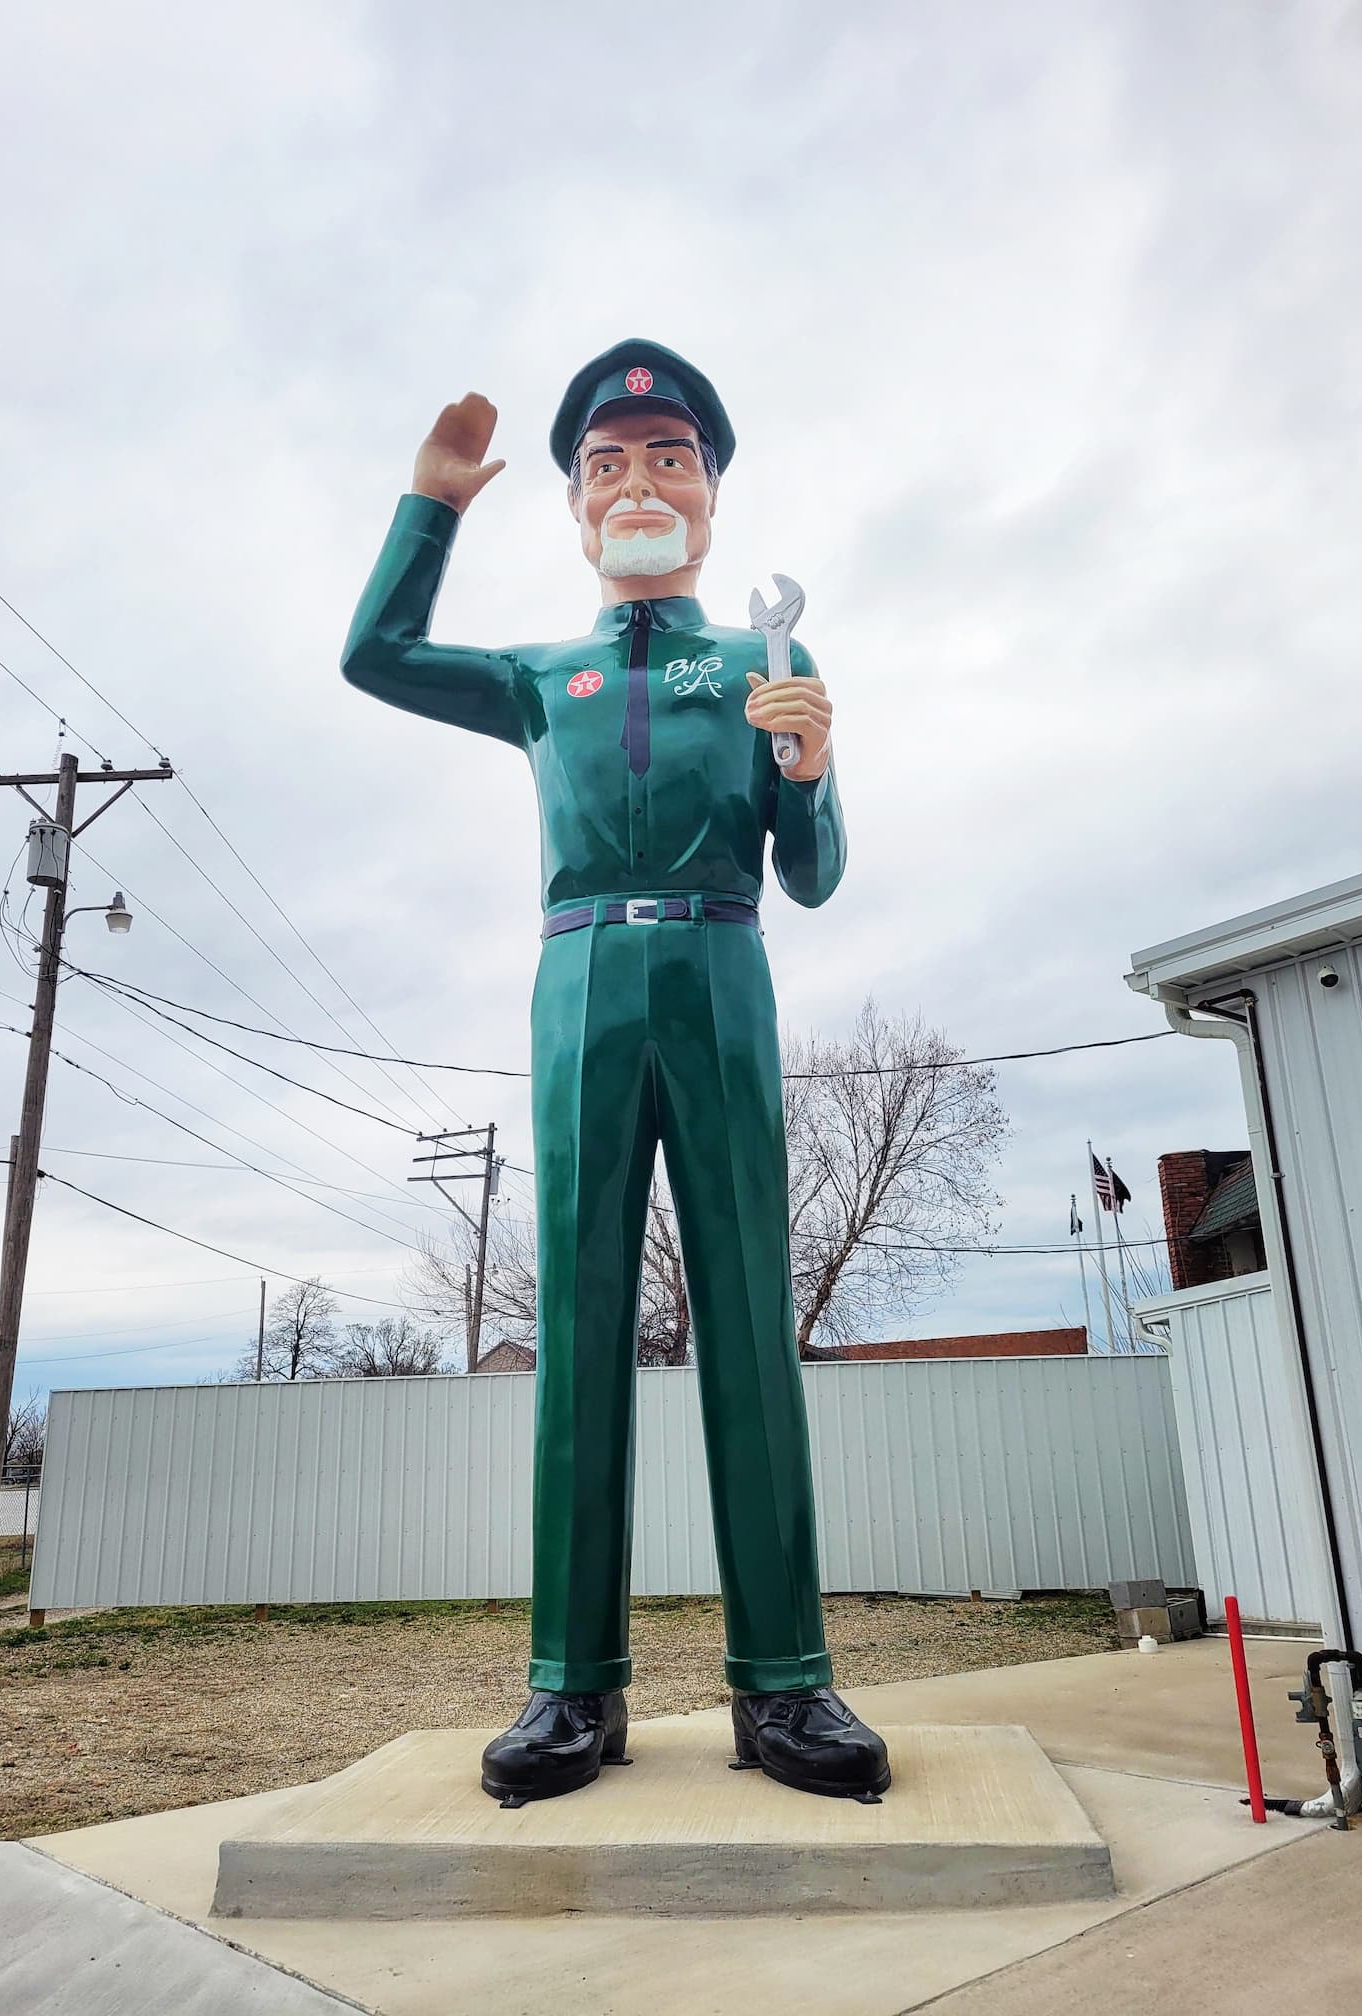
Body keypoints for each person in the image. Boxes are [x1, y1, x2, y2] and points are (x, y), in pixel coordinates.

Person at [342, 339, 890, 1805]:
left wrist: (813, 773)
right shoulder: (543, 675)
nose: (636, 482)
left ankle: (787, 1687)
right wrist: (430, 507)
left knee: (748, 1319)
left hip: (719, 966)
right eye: (605, 464)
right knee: (576, 1324)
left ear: (709, 495)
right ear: (577, 506)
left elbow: (818, 879)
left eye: (667, 458)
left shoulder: (766, 662)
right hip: (579, 974)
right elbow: (373, 658)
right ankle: (570, 1689)